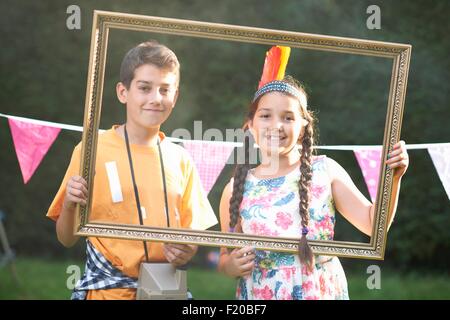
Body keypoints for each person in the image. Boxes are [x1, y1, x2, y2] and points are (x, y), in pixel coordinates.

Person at [47, 40, 218, 300]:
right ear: (123, 92)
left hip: (165, 290)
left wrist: (188, 249)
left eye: (165, 89)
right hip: (107, 293)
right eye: (144, 88)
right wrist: (70, 204)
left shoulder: (180, 158)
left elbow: (191, 236)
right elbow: (66, 238)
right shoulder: (91, 150)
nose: (155, 99)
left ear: (176, 96)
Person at [218, 75, 409, 300]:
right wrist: (230, 266)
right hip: (262, 292)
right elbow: (224, 257)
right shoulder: (236, 189)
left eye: (288, 117)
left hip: (319, 290)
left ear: (302, 127)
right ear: (251, 125)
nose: (276, 125)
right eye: (266, 115)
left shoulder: (325, 171)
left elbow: (373, 225)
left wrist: (393, 179)